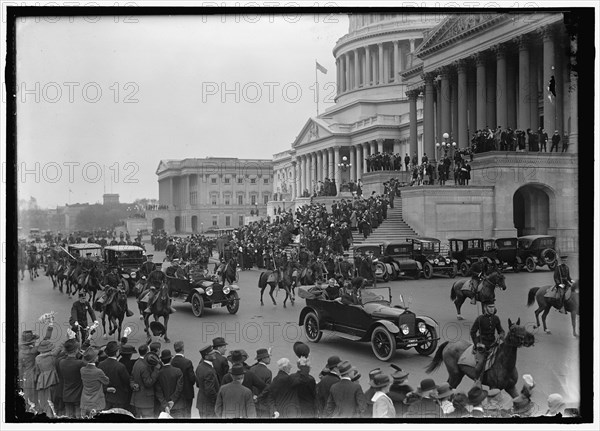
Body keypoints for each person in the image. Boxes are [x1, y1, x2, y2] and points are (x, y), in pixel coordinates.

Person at [470, 300, 505, 385]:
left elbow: (501, 331)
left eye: (493, 307)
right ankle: (477, 381)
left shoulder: (496, 318)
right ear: (485, 308)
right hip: (483, 345)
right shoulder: (480, 319)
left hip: (493, 343)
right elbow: (473, 332)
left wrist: (501, 336)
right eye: (490, 307)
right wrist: (477, 344)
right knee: (481, 363)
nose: (492, 309)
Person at [97, 341, 131, 411]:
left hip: (106, 396)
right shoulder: (120, 366)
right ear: (117, 352)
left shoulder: (101, 364)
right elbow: (127, 381)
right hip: (119, 397)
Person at [80, 347, 110, 418]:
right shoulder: (98, 371)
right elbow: (106, 381)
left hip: (85, 400)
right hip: (96, 401)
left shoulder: (82, 370)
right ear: (95, 359)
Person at [154, 349, 185, 418]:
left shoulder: (159, 373)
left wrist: (165, 405)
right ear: (171, 359)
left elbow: (158, 392)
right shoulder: (178, 371)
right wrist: (172, 400)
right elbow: (179, 388)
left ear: (162, 361)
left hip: (164, 408)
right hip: (177, 406)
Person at [171, 341, 196, 418]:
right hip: (187, 392)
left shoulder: (172, 361)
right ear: (183, 349)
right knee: (187, 412)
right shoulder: (187, 362)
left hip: (175, 393)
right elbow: (192, 379)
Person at [195, 345, 220, 418]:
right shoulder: (209, 371)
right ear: (206, 356)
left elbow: (198, 384)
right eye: (211, 353)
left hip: (202, 404)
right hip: (209, 407)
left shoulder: (200, 366)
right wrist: (217, 402)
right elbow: (210, 391)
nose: (214, 354)